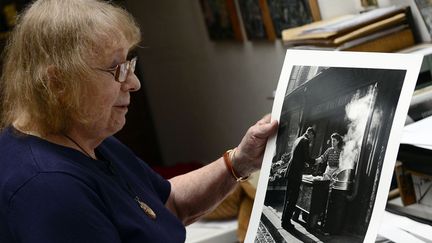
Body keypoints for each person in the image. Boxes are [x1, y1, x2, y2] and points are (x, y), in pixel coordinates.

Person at [0, 1, 278, 242]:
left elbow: (167, 205)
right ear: (58, 83)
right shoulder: (50, 189)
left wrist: (240, 161)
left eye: (129, 64)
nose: (134, 82)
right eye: (116, 69)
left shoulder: (86, 137)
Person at [281, 127, 316, 231]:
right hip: (296, 173)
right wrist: (315, 161)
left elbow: (297, 156)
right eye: (312, 136)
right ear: (309, 133)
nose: (311, 139)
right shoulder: (305, 140)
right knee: (293, 199)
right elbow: (306, 157)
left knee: (288, 197)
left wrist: (303, 162)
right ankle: (286, 223)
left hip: (291, 171)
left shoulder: (298, 139)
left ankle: (284, 219)